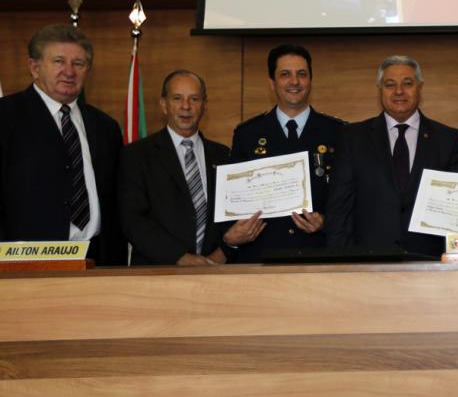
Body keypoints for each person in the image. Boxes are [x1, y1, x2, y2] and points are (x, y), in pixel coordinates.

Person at [0, 23, 126, 265]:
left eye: (78, 64)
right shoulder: (5, 117)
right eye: (58, 61)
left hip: (98, 259)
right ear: (34, 67)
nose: (69, 72)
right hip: (24, 264)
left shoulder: (105, 127)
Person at [119, 71, 265, 266]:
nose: (185, 106)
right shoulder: (136, 154)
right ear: (163, 104)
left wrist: (219, 255)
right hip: (156, 275)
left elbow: (232, 215)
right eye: (177, 98)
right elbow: (133, 221)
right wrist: (182, 258)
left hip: (214, 272)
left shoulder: (224, 156)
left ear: (205, 105)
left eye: (194, 99)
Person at [326, 56, 458, 257]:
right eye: (390, 85)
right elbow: (339, 210)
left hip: (429, 263)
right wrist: (340, 263)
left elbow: (457, 212)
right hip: (368, 263)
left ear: (420, 87)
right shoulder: (352, 138)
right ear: (379, 89)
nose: (399, 91)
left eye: (407, 83)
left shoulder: (447, 139)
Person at [228, 44, 343, 262]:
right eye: (285, 74)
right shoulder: (247, 134)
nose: (294, 82)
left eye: (302, 74)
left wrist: (326, 222)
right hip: (261, 256)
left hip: (319, 256)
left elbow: (349, 200)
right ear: (272, 83)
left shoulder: (339, 132)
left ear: (310, 80)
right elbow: (234, 200)